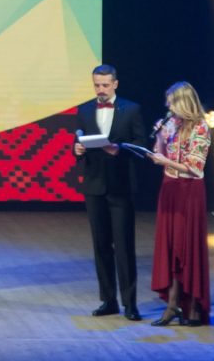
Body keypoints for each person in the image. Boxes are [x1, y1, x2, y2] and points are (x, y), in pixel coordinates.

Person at [73, 64, 146, 321]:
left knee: (124, 246)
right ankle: (108, 300)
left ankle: (130, 303)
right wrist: (77, 149)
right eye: (97, 85)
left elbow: (141, 144)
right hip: (94, 186)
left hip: (120, 186)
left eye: (105, 85)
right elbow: (78, 141)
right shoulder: (84, 110)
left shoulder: (131, 109)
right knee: (101, 245)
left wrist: (119, 149)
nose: (100, 90)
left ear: (115, 84)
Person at [149, 81, 212, 327]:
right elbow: (159, 153)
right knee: (171, 247)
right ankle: (172, 304)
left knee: (187, 246)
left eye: (171, 102)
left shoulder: (201, 127)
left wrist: (165, 161)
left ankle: (193, 305)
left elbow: (195, 168)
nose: (168, 107)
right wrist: (159, 137)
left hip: (189, 192)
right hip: (170, 189)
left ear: (183, 102)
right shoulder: (171, 124)